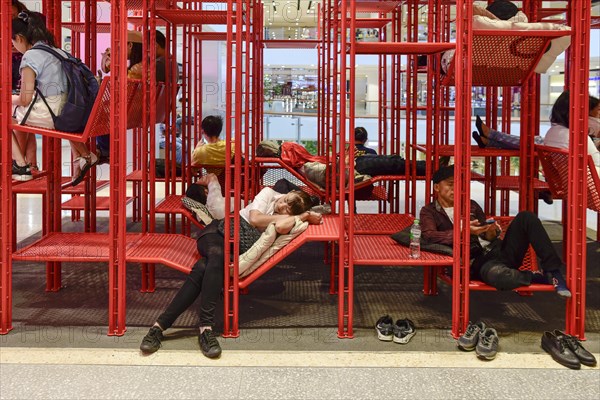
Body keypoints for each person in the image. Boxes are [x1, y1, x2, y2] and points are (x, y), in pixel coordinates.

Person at [139, 175, 322, 358]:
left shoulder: (291, 216)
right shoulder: (268, 193)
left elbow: (282, 227)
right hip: (217, 232)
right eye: (286, 201)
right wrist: (296, 215)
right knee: (218, 256)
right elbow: (255, 218)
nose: (283, 207)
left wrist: (300, 215)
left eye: (289, 208)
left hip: (236, 247)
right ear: (288, 192)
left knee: (204, 267)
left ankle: (159, 327)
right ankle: (206, 329)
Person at [420, 165, 571, 297]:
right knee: (500, 277)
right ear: (437, 187)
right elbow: (429, 236)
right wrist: (462, 232)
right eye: (451, 185)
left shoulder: (471, 205)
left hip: (498, 250)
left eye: (459, 185)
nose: (456, 189)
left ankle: (553, 271)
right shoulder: (429, 211)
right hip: (477, 262)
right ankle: (534, 276)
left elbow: (485, 232)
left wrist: (490, 232)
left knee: (526, 217)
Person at [11, 11, 98, 183]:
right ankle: (85, 155)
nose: (13, 46)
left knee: (3, 113)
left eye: (12, 42)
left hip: (54, 115)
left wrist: (7, 98)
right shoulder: (55, 50)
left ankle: (20, 165)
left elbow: (25, 99)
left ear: (20, 38)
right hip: (72, 111)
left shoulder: (30, 56)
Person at [472, 92, 600, 173]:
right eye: (598, 109)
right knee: (531, 142)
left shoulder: (555, 132)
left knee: (531, 142)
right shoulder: (578, 135)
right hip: (586, 182)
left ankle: (491, 138)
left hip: (574, 180)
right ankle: (491, 138)